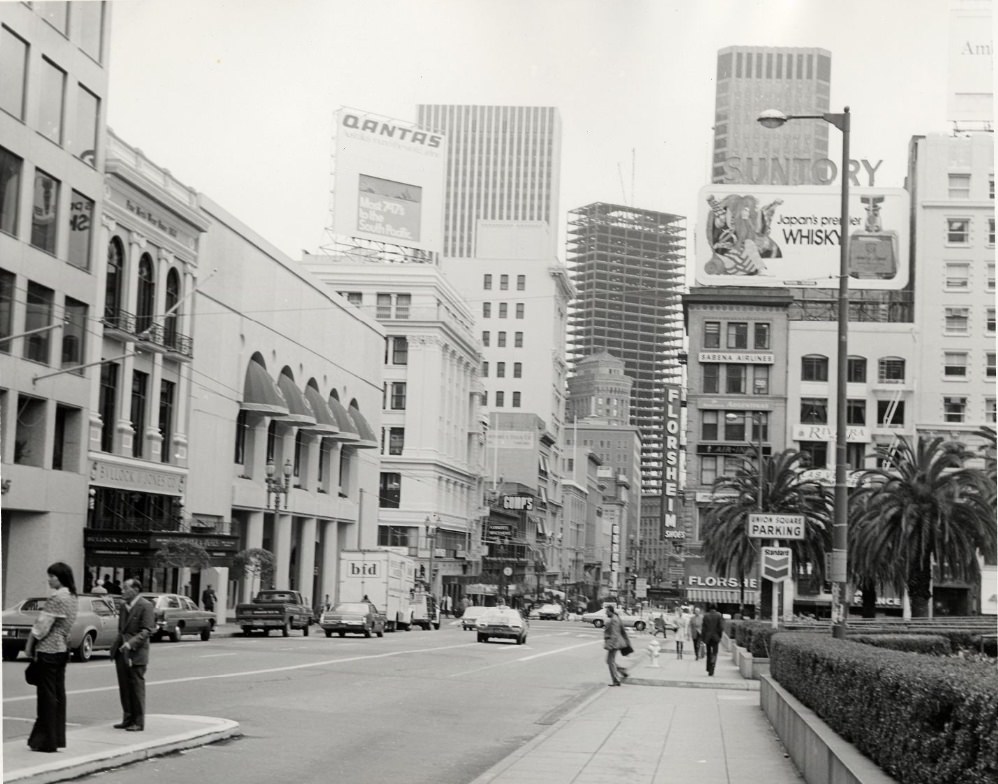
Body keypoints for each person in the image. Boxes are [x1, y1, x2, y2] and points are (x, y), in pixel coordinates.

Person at [24, 562, 79, 753]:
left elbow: (41, 626)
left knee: (46, 696)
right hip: (62, 649)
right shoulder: (72, 597)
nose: (49, 580)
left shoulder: (56, 598)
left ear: (61, 578)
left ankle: (46, 739)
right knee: (58, 694)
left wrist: (29, 645)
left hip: (48, 649)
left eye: (52, 576)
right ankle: (56, 738)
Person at [109, 578, 155, 731]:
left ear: (135, 590)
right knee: (124, 686)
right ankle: (127, 718)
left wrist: (131, 643)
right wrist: (115, 647)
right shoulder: (124, 606)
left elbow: (147, 630)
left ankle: (138, 721)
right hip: (122, 651)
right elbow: (121, 630)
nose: (122, 591)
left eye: (125, 588)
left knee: (136, 687)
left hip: (136, 653)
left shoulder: (146, 606)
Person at [603, 605, 629, 686]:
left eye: (607, 611)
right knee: (609, 661)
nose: (606, 613)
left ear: (611, 611)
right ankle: (622, 670)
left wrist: (610, 645)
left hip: (614, 643)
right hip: (615, 643)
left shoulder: (614, 620)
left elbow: (615, 634)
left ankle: (616, 680)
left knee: (610, 661)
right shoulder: (614, 618)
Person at [701, 602, 725, 677]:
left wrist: (703, 638)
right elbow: (721, 627)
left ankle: (708, 667)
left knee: (708, 653)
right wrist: (719, 636)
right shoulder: (719, 615)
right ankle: (712, 666)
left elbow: (703, 628)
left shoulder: (706, 616)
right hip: (715, 637)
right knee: (714, 653)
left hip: (708, 637)